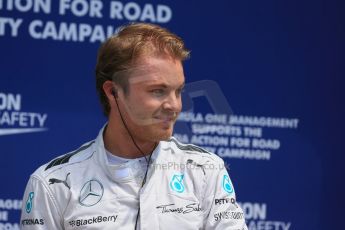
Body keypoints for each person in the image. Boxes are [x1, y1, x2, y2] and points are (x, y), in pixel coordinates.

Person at [20, 23, 248, 230]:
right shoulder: (52, 184)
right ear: (113, 92)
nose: (174, 106)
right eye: (158, 91)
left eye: (178, 91)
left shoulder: (206, 171)